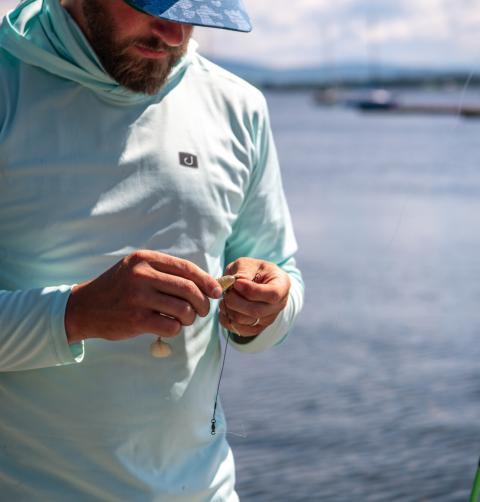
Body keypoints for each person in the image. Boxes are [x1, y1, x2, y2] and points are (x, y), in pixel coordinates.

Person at [0, 0, 304, 499]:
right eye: (151, 4)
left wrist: (268, 310)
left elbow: (283, 272)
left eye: (196, 11)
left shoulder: (239, 106)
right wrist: (74, 313)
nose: (174, 32)